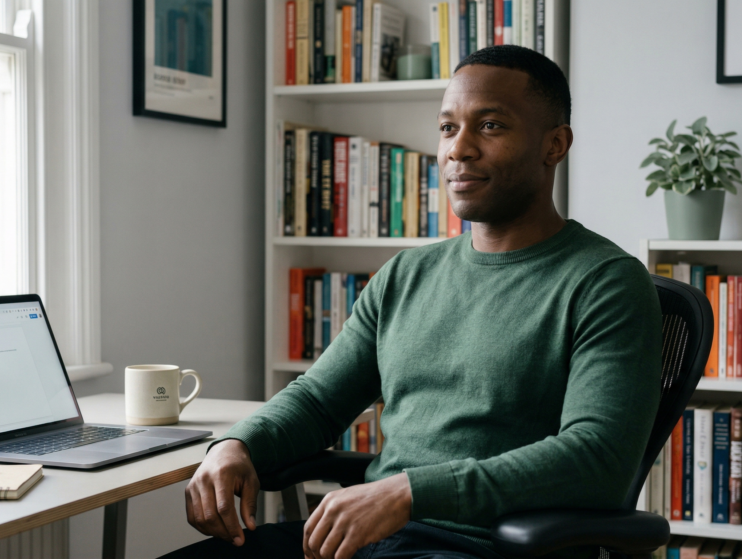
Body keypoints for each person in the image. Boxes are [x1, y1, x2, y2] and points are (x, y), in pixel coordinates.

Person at [163, 45, 662, 559]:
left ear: (554, 144)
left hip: (481, 550)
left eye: (490, 126)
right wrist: (235, 446)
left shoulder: (607, 283)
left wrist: (410, 492)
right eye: (448, 128)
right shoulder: (406, 274)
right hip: (356, 542)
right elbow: (316, 402)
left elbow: (597, 459)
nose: (458, 150)